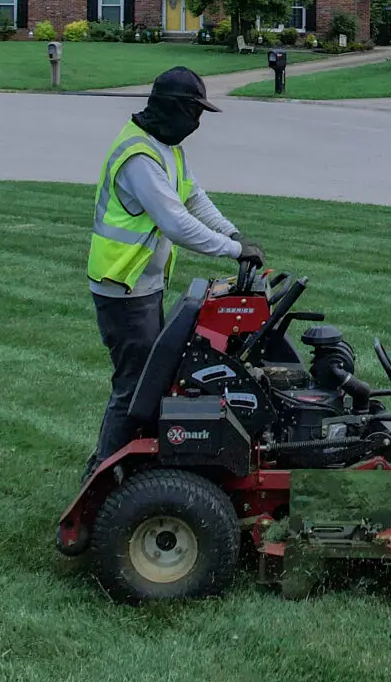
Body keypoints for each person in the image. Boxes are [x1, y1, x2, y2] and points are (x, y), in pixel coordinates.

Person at [84, 64, 261, 466]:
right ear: (174, 109)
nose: (197, 123)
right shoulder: (138, 157)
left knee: (153, 380)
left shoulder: (166, 148)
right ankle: (104, 474)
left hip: (143, 286)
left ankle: (138, 465)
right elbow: (176, 223)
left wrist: (233, 233)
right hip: (122, 287)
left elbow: (194, 197)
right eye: (194, 113)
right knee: (134, 387)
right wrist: (233, 251)